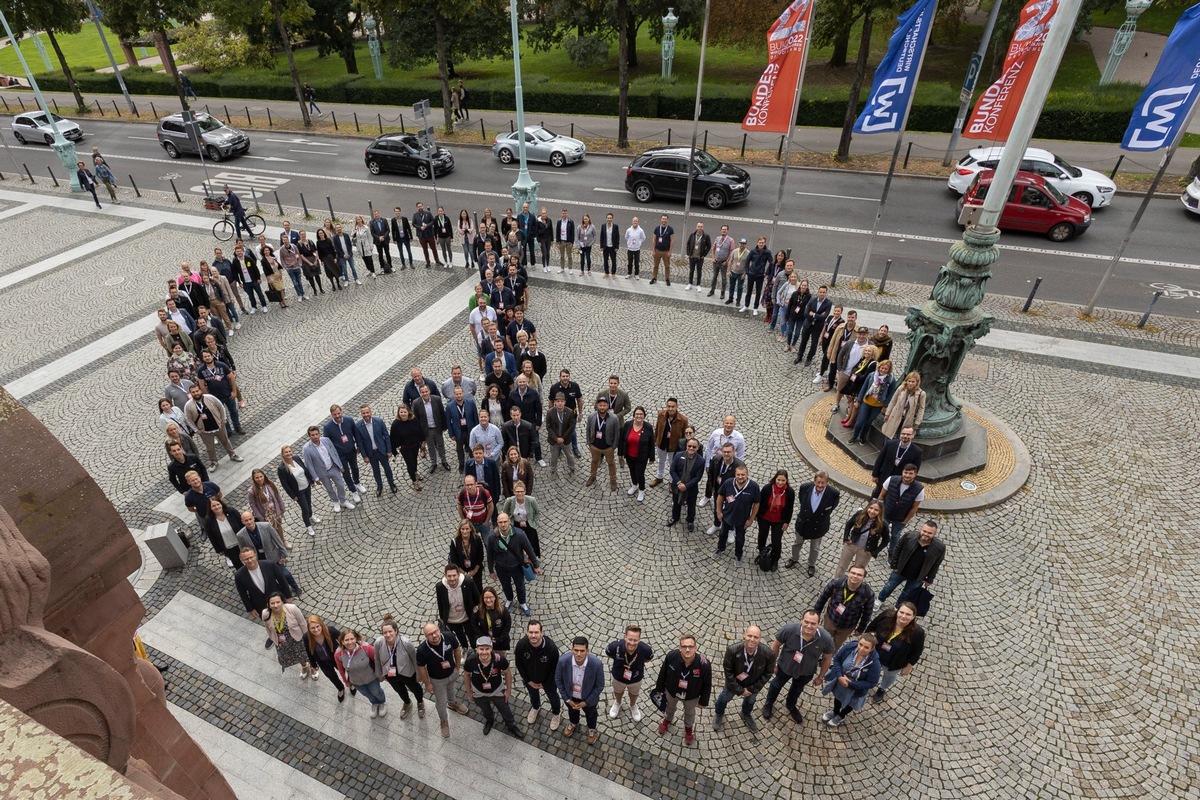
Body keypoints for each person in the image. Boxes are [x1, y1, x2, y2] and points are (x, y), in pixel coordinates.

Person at [761, 610, 835, 724]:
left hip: (806, 672)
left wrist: (820, 677)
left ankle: (790, 705)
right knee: (776, 685)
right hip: (785, 667)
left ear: (818, 624)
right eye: (806, 622)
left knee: (797, 690)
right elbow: (775, 646)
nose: (809, 626)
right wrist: (772, 665)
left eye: (813, 623)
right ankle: (769, 703)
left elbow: (827, 657)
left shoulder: (825, 638)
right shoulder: (789, 630)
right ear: (802, 620)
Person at [713, 625, 776, 733]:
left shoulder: (768, 654)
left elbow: (768, 673)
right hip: (734, 684)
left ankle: (745, 713)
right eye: (749, 635)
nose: (752, 639)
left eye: (755, 637)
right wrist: (740, 690)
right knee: (724, 698)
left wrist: (751, 689)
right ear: (744, 635)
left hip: (753, 685)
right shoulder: (732, 650)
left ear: (760, 639)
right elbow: (728, 671)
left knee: (751, 700)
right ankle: (719, 713)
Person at [653, 635, 712, 747]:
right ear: (679, 648)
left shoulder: (704, 664)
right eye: (684, 646)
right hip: (672, 691)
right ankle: (667, 719)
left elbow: (707, 684)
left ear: (696, 648)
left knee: (690, 712)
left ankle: (688, 728)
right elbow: (663, 673)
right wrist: (659, 689)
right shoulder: (671, 656)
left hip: (692, 695)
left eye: (690, 646)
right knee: (669, 707)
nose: (687, 649)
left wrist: (703, 701)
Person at [865, 600, 925, 703]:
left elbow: (916, 652)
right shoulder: (886, 617)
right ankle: (865, 684)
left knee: (889, 676)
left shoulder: (917, 633)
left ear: (914, 616)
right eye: (901, 612)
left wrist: (908, 667)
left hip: (894, 662)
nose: (903, 616)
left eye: (908, 614)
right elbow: (871, 627)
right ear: (897, 611)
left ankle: (882, 688)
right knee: (869, 670)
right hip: (875, 654)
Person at [416, 623, 469, 738]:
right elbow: (421, 668)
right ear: (426, 636)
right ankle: (443, 720)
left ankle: (452, 703)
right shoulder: (422, 650)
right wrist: (427, 683)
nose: (434, 635)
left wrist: (458, 666)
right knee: (440, 703)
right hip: (437, 680)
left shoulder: (449, 636)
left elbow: (456, 650)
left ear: (439, 630)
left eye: (435, 631)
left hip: (452, 674)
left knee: (451, 690)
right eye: (430, 634)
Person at [462, 636, 522, 737]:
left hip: (497, 691)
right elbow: (466, 675)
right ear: (476, 649)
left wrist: (508, 691)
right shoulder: (471, 660)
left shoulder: (499, 659)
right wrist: (469, 692)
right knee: (485, 710)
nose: (484, 652)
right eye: (481, 649)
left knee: (505, 710)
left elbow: (507, 673)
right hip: (479, 692)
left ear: (491, 648)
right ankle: (489, 720)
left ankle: (510, 725)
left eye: (487, 649)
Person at [234, 548, 292, 652]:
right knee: (270, 623)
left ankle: (291, 634)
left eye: (251, 557)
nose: (250, 560)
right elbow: (242, 593)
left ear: (255, 555)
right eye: (246, 559)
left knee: (286, 617)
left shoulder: (269, 565)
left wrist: (288, 596)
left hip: (277, 599)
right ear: (242, 561)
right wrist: (250, 608)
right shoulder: (239, 575)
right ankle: (275, 637)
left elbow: (282, 580)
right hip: (260, 604)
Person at [877, 520, 945, 604]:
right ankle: (880, 600)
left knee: (907, 593)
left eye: (930, 533)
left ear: (934, 534)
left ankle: (898, 606)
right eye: (924, 531)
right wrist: (894, 565)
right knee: (888, 587)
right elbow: (898, 548)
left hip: (918, 577)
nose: (926, 534)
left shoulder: (939, 547)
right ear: (921, 529)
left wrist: (930, 579)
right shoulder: (909, 536)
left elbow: (936, 564)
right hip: (900, 571)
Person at [788, 470, 842, 576]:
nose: (820, 485)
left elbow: (831, 508)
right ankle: (794, 558)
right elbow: (802, 502)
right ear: (814, 481)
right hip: (803, 522)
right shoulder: (804, 488)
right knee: (797, 542)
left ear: (827, 482)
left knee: (815, 547)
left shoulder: (834, 494)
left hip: (819, 525)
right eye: (818, 482)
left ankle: (811, 564)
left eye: (823, 483)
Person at [820, 634, 881, 727]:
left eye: (866, 647)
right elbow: (837, 660)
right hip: (841, 681)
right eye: (860, 644)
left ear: (872, 649)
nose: (861, 649)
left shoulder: (875, 664)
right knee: (838, 697)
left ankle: (841, 715)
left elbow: (871, 682)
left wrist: (851, 684)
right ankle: (835, 711)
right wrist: (840, 676)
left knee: (851, 703)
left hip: (856, 689)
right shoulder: (850, 647)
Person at [486, 513, 541, 615]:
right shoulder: (492, 537)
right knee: (505, 585)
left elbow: (529, 549)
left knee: (520, 586)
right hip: (501, 567)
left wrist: (536, 565)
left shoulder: (519, 534)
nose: (503, 524)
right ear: (497, 523)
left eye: (505, 522)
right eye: (500, 522)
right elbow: (489, 554)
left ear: (509, 522)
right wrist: (491, 570)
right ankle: (509, 599)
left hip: (516, 566)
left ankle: (522, 602)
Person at [555, 636, 605, 744]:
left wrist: (586, 702)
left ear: (588, 651)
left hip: (588, 699)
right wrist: (567, 699)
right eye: (576, 650)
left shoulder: (596, 664)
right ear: (572, 649)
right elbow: (558, 680)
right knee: (572, 711)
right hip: (570, 696)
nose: (578, 654)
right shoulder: (562, 661)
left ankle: (592, 729)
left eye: (582, 651)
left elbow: (600, 686)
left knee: (591, 715)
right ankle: (573, 723)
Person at [235, 511, 298, 596]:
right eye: (246, 520)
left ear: (253, 518)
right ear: (242, 522)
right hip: (258, 560)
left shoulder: (266, 526)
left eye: (250, 519)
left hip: (273, 557)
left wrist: (284, 555)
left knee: (285, 574)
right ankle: (281, 592)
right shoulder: (240, 535)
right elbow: (242, 550)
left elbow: (278, 540)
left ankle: (295, 586)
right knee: (268, 578)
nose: (249, 522)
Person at [375, 615, 425, 719]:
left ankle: (420, 702)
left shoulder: (406, 643)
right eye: (385, 633)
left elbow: (415, 659)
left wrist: (419, 675)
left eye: (390, 631)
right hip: (390, 673)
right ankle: (407, 702)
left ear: (396, 631)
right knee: (399, 690)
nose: (388, 635)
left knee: (415, 688)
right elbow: (377, 659)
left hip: (407, 672)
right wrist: (379, 674)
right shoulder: (379, 643)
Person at [514, 619, 562, 728]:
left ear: (542, 633)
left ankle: (556, 713)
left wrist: (545, 683)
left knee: (553, 697)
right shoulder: (521, 645)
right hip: (530, 680)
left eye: (536, 632)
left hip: (548, 681)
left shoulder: (551, 649)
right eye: (531, 632)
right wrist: (528, 681)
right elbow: (519, 664)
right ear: (527, 633)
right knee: (533, 696)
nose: (533, 635)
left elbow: (555, 669)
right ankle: (536, 707)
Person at [814, 565, 876, 648]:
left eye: (859, 575)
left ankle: (827, 659)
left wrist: (860, 629)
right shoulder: (836, 583)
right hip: (830, 620)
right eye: (853, 573)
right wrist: (815, 616)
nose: (855, 576)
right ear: (848, 573)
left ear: (863, 577)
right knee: (823, 640)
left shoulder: (867, 594)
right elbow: (822, 599)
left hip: (847, 627)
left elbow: (867, 614)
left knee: (835, 646)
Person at [184, 385, 242, 468]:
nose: (196, 393)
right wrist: (196, 430)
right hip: (205, 431)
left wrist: (223, 419)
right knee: (210, 448)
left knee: (226, 441)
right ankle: (214, 462)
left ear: (200, 390)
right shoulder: (188, 405)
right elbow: (188, 419)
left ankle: (232, 455)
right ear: (190, 394)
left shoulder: (210, 397)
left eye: (197, 391)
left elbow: (221, 407)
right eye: (193, 392)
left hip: (219, 426)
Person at [605, 624, 653, 722]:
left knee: (634, 693)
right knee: (618, 691)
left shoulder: (646, 650)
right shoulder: (615, 647)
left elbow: (648, 659)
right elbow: (609, 654)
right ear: (625, 637)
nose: (632, 643)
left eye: (635, 640)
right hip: (618, 677)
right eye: (630, 639)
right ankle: (618, 702)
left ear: (639, 640)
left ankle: (633, 705)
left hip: (636, 678)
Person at [301, 426, 356, 513]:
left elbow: (334, 452)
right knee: (329, 488)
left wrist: (340, 465)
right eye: (313, 435)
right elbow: (309, 464)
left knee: (340, 484)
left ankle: (343, 500)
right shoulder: (306, 449)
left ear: (319, 434)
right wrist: (315, 478)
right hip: (321, 472)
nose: (315, 436)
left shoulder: (326, 440)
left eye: (316, 434)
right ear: (309, 436)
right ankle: (335, 501)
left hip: (332, 467)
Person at [335, 629, 388, 718]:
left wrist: (381, 675)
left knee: (376, 691)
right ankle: (374, 703)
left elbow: (378, 660)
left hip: (371, 678)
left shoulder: (366, 648)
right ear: (342, 642)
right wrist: (346, 682)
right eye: (346, 640)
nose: (350, 642)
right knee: (367, 694)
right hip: (356, 681)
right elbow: (341, 669)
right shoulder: (338, 654)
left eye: (352, 639)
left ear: (356, 639)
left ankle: (382, 702)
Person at [877, 463, 925, 558]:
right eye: (905, 472)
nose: (907, 475)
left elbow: (914, 508)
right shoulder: (891, 480)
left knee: (895, 536)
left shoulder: (919, 489)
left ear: (915, 474)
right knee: (878, 530)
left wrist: (905, 521)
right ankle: (874, 547)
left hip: (900, 518)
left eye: (910, 473)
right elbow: (881, 496)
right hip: (886, 513)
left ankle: (892, 554)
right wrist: (879, 512)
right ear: (902, 472)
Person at [715, 465, 760, 563]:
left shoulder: (753, 487)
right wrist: (718, 512)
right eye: (738, 474)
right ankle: (720, 548)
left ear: (747, 475)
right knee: (722, 534)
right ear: (735, 474)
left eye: (743, 475)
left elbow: (756, 503)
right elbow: (720, 496)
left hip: (742, 519)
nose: (740, 477)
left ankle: (738, 554)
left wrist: (751, 519)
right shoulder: (728, 483)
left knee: (740, 539)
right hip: (727, 515)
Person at [755, 469, 796, 573]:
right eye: (779, 480)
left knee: (776, 541)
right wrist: (755, 515)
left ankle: (775, 559)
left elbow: (790, 508)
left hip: (779, 520)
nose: (780, 483)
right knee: (762, 536)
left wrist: (787, 522)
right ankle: (762, 553)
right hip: (764, 517)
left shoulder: (790, 492)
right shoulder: (767, 488)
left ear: (786, 480)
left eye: (783, 480)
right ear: (775, 478)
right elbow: (759, 502)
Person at [262, 593, 308, 678]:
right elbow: (268, 628)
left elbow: (302, 623)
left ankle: (313, 667)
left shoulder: (292, 609)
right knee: (296, 656)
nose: (275, 605)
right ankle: (304, 666)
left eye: (278, 602)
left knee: (304, 654)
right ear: (268, 604)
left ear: (282, 601)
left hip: (297, 638)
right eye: (272, 603)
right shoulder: (265, 613)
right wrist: (274, 639)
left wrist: (307, 638)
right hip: (282, 641)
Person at [836, 500, 888, 576]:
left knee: (858, 571)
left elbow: (886, 540)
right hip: (851, 545)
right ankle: (836, 583)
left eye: (876, 510)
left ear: (880, 512)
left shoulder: (883, 524)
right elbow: (849, 524)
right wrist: (846, 538)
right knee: (841, 566)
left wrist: (874, 552)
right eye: (871, 508)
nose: (872, 511)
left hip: (865, 551)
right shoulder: (859, 514)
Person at [276, 444, 318, 537]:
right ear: (283, 454)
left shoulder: (296, 458)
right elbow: (284, 484)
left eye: (289, 451)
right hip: (298, 492)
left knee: (309, 502)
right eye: (286, 452)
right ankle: (308, 526)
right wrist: (293, 496)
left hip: (306, 486)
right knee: (305, 509)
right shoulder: (282, 468)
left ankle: (311, 516)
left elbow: (305, 469)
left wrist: (311, 480)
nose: (288, 453)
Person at [851, 360, 897, 444]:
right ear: (879, 367)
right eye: (882, 368)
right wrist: (858, 400)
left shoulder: (891, 380)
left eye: (885, 369)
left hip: (878, 405)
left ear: (889, 370)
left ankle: (862, 437)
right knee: (860, 422)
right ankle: (854, 436)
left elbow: (890, 394)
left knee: (868, 423)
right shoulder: (871, 375)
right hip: (866, 402)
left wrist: (885, 406)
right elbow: (864, 388)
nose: (883, 370)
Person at [355, 405, 398, 496]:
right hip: (371, 453)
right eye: (364, 413)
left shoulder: (379, 421)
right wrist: (364, 456)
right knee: (376, 470)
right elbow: (360, 443)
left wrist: (389, 450)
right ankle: (379, 486)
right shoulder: (358, 426)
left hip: (381, 450)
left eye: (367, 412)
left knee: (387, 468)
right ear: (361, 414)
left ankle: (391, 483)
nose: (366, 414)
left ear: (371, 412)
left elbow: (386, 436)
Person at [323, 405, 364, 498]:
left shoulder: (349, 420)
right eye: (334, 414)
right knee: (345, 472)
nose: (337, 416)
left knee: (355, 467)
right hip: (339, 455)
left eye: (338, 413)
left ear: (341, 412)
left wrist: (358, 445)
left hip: (351, 450)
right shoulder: (327, 427)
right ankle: (353, 491)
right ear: (331, 415)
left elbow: (355, 433)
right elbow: (327, 443)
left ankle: (357, 483)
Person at [872, 427, 924, 499]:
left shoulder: (917, 451)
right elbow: (880, 459)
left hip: (899, 481)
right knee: (875, 496)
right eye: (903, 434)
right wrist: (875, 474)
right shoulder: (890, 444)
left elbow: (915, 470)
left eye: (908, 434)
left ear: (913, 435)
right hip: (884, 476)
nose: (905, 436)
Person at [666, 438, 705, 532]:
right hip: (678, 486)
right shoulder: (679, 455)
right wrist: (679, 483)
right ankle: (675, 517)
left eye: (694, 447)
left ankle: (690, 521)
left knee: (691, 506)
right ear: (686, 446)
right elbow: (672, 470)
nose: (691, 448)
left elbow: (697, 478)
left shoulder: (701, 461)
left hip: (691, 488)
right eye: (689, 446)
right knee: (676, 503)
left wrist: (686, 486)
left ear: (697, 447)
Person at [618, 407, 655, 503]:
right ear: (634, 415)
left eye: (641, 414)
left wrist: (652, 457)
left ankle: (641, 490)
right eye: (637, 414)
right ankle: (634, 485)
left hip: (642, 456)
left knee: (640, 473)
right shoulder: (628, 424)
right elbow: (622, 439)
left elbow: (651, 443)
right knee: (632, 471)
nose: (639, 416)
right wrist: (620, 453)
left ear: (644, 416)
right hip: (629, 454)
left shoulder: (648, 427)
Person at [304, 615, 346, 699]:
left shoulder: (331, 631)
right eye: (312, 628)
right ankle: (340, 688)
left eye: (317, 626)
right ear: (308, 629)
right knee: (332, 676)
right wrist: (314, 665)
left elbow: (343, 639)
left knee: (345, 672)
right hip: (323, 662)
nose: (316, 630)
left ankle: (351, 684)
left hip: (337, 659)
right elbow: (309, 652)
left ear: (321, 624)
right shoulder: (306, 637)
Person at [651, 398, 689, 487]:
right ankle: (659, 477)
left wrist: (682, 448)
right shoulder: (661, 414)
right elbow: (657, 428)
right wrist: (655, 440)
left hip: (674, 446)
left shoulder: (683, 420)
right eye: (669, 406)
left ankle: (672, 482)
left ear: (676, 407)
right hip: (662, 443)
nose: (670, 409)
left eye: (673, 406)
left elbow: (685, 436)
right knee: (661, 461)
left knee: (672, 464)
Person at [499, 481, 542, 557]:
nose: (519, 494)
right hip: (516, 525)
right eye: (517, 491)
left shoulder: (531, 500)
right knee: (517, 544)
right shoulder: (510, 501)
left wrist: (535, 523)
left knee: (530, 544)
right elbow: (505, 513)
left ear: (525, 491)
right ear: (514, 492)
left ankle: (531, 560)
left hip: (528, 525)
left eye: (521, 491)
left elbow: (538, 512)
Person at [585, 398, 619, 492]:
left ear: (607, 406)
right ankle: (592, 476)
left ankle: (613, 480)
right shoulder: (591, 416)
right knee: (594, 461)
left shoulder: (614, 418)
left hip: (608, 447)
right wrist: (589, 443)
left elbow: (617, 433)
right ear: (597, 406)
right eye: (600, 405)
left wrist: (614, 446)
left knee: (611, 463)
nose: (602, 407)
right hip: (595, 446)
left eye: (604, 405)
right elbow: (588, 429)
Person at [389, 404, 425, 491]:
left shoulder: (414, 419)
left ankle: (415, 473)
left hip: (415, 445)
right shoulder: (395, 424)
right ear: (398, 413)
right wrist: (394, 450)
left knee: (415, 460)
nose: (403, 414)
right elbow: (392, 438)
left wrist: (422, 442)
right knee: (410, 464)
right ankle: (414, 481)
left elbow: (420, 430)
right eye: (401, 412)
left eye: (404, 412)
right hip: (405, 448)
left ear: (408, 412)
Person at [247, 468, 288, 543]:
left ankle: (283, 541)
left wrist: (282, 506)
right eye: (257, 477)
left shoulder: (269, 484)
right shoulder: (252, 491)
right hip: (265, 514)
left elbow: (277, 494)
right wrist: (260, 517)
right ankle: (277, 544)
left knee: (278, 526)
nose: (259, 479)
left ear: (264, 476)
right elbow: (253, 505)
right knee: (271, 530)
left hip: (275, 510)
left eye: (261, 476)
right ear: (253, 479)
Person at [794, 286, 834, 365]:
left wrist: (814, 314)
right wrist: (817, 316)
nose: (822, 294)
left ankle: (809, 358)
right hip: (808, 324)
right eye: (820, 292)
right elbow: (806, 313)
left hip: (817, 327)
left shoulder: (828, 303)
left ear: (826, 293)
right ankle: (799, 356)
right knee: (803, 341)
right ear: (818, 292)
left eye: (824, 292)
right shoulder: (812, 300)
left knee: (814, 343)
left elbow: (824, 316)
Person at [882, 372, 927, 439]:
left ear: (917, 382)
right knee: (888, 435)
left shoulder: (921, 394)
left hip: (907, 419)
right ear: (906, 381)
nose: (910, 383)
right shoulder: (901, 388)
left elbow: (921, 408)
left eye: (913, 382)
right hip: (895, 415)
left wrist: (917, 421)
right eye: (909, 381)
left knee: (900, 437)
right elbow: (893, 401)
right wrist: (887, 413)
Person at [471, 588, 512, 657]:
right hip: (484, 643)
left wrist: (499, 639)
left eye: (490, 597)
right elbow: (474, 624)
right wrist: (482, 637)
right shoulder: (478, 610)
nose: (488, 600)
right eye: (486, 598)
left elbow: (507, 625)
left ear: (495, 597)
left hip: (500, 643)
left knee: (500, 661)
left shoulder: (502, 609)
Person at [204, 498, 244, 568]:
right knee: (237, 565)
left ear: (221, 504)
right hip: (228, 547)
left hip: (241, 543)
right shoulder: (209, 521)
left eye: (218, 504)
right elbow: (211, 537)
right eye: (213, 506)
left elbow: (241, 524)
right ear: (210, 508)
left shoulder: (231, 512)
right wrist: (218, 550)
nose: (216, 507)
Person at [448, 520, 486, 594]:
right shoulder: (455, 542)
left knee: (478, 589)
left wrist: (474, 571)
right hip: (461, 571)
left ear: (471, 529)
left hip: (476, 570)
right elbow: (454, 560)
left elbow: (480, 556)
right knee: (465, 590)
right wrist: (464, 574)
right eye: (462, 529)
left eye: (467, 529)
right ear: (460, 529)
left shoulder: (476, 539)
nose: (465, 531)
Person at [463, 447, 502, 517]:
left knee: (493, 507)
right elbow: (467, 478)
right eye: (476, 453)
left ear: (483, 453)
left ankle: (494, 521)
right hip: (475, 489)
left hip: (489, 488)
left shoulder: (491, 463)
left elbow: (496, 479)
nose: (478, 455)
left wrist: (497, 493)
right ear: (473, 454)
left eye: (480, 453)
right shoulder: (469, 463)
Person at [545, 395, 576, 475]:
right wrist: (556, 438)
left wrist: (563, 438)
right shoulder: (550, 412)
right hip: (554, 440)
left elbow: (571, 426)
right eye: (558, 401)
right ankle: (553, 470)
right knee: (554, 457)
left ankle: (572, 469)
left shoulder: (569, 412)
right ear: (555, 402)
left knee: (569, 456)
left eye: (562, 401)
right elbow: (548, 427)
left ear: (565, 402)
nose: (560, 403)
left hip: (565, 440)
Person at [742, 236, 771, 314]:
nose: (761, 244)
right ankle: (746, 305)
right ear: (757, 243)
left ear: (765, 243)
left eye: (762, 243)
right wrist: (747, 271)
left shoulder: (767, 252)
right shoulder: (753, 251)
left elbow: (771, 263)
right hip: (751, 274)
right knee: (749, 291)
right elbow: (747, 261)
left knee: (758, 292)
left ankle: (755, 307)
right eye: (760, 242)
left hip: (760, 275)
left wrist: (766, 272)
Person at [685, 222, 710, 290]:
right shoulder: (692, 235)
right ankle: (690, 283)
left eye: (701, 227)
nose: (699, 228)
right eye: (698, 226)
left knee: (699, 271)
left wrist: (704, 255)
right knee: (691, 271)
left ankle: (698, 285)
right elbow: (688, 244)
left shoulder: (706, 236)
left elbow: (709, 246)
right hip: (692, 257)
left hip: (699, 258)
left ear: (703, 228)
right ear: (696, 227)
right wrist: (688, 253)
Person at [649, 214, 674, 285]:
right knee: (655, 265)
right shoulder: (657, 229)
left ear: (667, 220)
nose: (664, 220)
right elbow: (654, 239)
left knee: (667, 266)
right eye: (663, 219)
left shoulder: (670, 229)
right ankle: (654, 278)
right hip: (657, 251)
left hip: (666, 251)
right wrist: (653, 250)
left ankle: (667, 279)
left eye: (665, 219)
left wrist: (670, 251)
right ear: (661, 219)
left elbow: (672, 240)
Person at [553, 208, 575, 273]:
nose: (564, 214)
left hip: (568, 242)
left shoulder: (571, 222)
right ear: (561, 214)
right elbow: (557, 232)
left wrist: (572, 243)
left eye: (565, 213)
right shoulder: (559, 222)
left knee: (569, 256)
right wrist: (557, 242)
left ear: (567, 214)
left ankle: (570, 268)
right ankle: (562, 268)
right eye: (563, 213)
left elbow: (572, 233)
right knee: (562, 256)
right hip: (562, 241)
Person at [599, 212, 620, 277]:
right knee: (605, 261)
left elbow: (617, 237)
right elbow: (601, 236)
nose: (609, 219)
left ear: (612, 219)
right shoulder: (603, 226)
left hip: (612, 247)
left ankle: (613, 273)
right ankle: (606, 272)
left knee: (613, 261)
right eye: (608, 218)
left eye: (610, 218)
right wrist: (601, 246)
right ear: (606, 219)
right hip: (606, 246)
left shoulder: (615, 227)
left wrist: (617, 247)